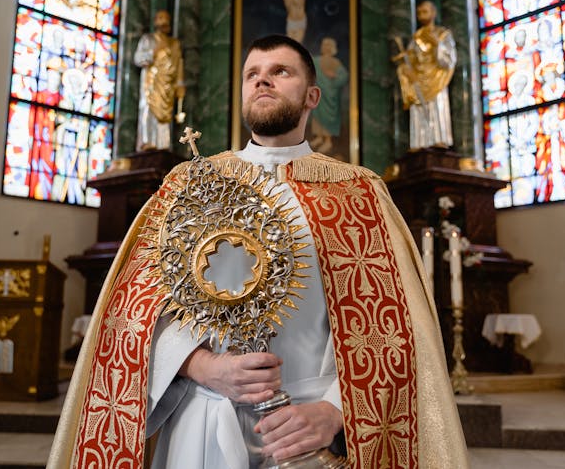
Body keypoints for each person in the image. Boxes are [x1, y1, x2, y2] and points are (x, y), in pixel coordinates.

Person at [48, 35, 468, 468]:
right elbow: (131, 313)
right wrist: (201, 366)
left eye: (280, 72)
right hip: (201, 423)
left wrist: (334, 410)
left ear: (312, 96)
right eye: (252, 75)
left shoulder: (357, 191)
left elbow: (397, 326)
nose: (262, 81)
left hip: (308, 432)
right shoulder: (188, 184)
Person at [393, 1, 457, 150]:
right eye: (419, 12)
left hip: (436, 79)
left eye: (425, 11)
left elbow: (449, 60)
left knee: (437, 106)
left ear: (434, 13)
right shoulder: (416, 37)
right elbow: (411, 59)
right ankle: (419, 143)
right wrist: (406, 69)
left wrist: (437, 45)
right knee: (418, 108)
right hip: (419, 80)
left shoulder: (443, 34)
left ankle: (439, 139)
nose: (422, 15)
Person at [134, 10, 186, 151]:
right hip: (151, 82)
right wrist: (153, 52)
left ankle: (163, 144)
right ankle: (147, 141)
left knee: (165, 115)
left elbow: (178, 63)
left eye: (167, 18)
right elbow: (138, 58)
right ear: (156, 21)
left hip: (167, 84)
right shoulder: (148, 39)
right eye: (161, 18)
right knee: (148, 109)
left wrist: (180, 83)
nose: (164, 22)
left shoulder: (174, 43)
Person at [310, 37, 348, 154]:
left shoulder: (336, 62)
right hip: (319, 95)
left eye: (328, 46)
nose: (326, 47)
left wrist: (335, 77)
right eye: (324, 45)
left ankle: (328, 140)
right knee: (317, 115)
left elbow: (344, 76)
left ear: (332, 48)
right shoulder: (316, 60)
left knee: (328, 117)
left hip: (330, 94)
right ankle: (319, 137)